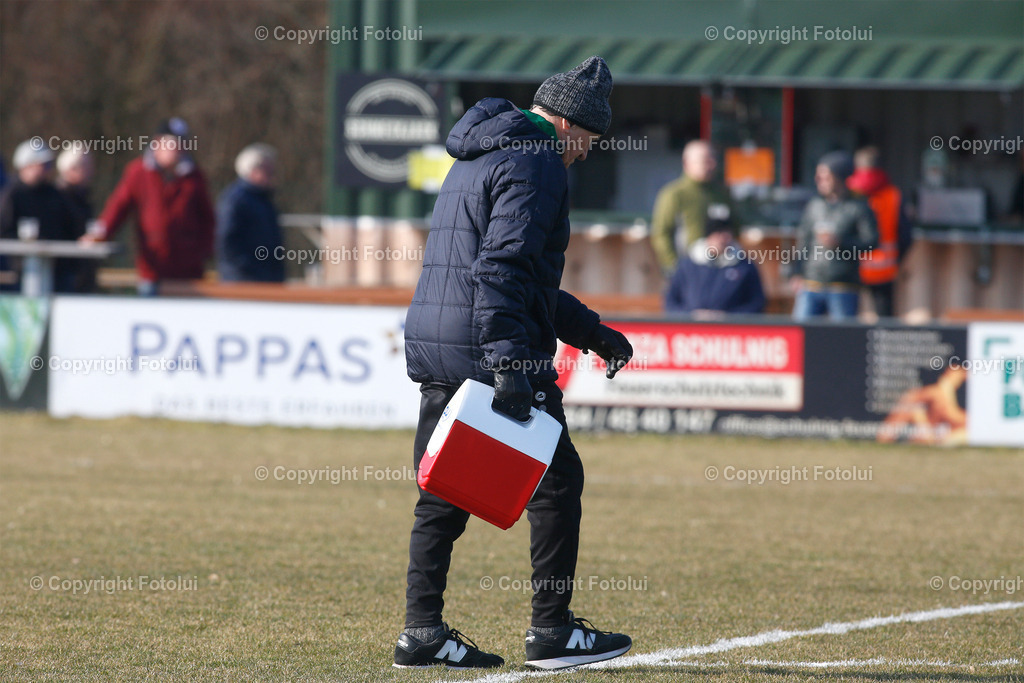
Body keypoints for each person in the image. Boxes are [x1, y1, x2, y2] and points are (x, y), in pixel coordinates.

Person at [398, 56, 634, 671]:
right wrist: (509, 363)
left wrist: (591, 332)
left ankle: (421, 632)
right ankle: (552, 631)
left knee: (442, 489)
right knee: (558, 485)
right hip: (491, 346)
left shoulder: (479, 152)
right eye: (588, 141)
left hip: (441, 342)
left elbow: (517, 274)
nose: (585, 155)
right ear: (569, 125)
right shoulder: (540, 163)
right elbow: (503, 270)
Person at [81, 118, 214, 296]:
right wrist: (99, 233)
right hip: (152, 270)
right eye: (173, 144)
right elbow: (118, 207)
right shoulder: (139, 172)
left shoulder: (194, 177)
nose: (179, 149)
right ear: (157, 144)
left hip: (188, 272)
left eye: (182, 143)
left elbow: (208, 219)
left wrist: (203, 250)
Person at [790, 151, 878, 321]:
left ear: (839, 178)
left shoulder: (858, 206)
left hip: (843, 285)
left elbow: (872, 242)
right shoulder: (814, 205)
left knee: (841, 339)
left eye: (825, 177)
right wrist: (796, 272)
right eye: (818, 176)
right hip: (811, 283)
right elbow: (804, 242)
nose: (819, 181)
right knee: (800, 334)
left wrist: (841, 243)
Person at [0, 140, 80, 292]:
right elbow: (4, 231)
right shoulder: (11, 196)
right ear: (26, 166)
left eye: (48, 165)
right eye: (42, 165)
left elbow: (71, 227)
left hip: (55, 272)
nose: (46, 170)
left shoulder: (55, 195)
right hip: (19, 274)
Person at [650, 139, 736, 273]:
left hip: (719, 269)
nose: (712, 164)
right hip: (688, 269)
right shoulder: (674, 194)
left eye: (713, 159)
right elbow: (661, 233)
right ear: (687, 163)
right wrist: (675, 267)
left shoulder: (721, 194)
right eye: (706, 160)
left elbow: (735, 228)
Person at [847, 146, 913, 318]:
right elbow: (906, 235)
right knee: (885, 322)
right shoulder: (893, 194)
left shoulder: (847, 193)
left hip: (852, 266)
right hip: (885, 267)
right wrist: (898, 260)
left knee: (847, 320)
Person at [664, 205, 765, 316]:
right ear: (708, 237)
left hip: (729, 330)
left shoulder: (744, 266)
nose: (723, 238)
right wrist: (692, 315)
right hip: (691, 330)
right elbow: (671, 302)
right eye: (718, 233)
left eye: (727, 233)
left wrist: (728, 317)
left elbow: (756, 303)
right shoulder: (688, 265)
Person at [216, 143, 285, 283]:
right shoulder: (235, 200)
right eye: (267, 169)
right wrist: (248, 270)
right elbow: (226, 241)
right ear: (252, 170)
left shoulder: (264, 200)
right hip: (242, 281)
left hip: (265, 279)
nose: (272, 173)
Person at [56, 148, 97, 292]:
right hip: (66, 272)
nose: (91, 171)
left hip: (81, 271)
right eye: (86, 166)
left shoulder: (83, 197)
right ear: (71, 169)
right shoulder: (57, 198)